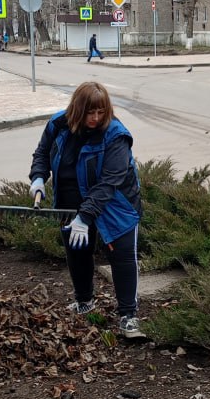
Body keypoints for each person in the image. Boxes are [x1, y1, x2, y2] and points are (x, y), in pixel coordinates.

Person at [29, 82, 143, 338]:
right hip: (70, 200)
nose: (95, 118)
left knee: (122, 256)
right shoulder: (58, 124)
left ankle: (128, 316)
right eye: (90, 113)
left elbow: (109, 183)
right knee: (77, 251)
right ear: (77, 110)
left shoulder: (116, 135)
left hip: (116, 205)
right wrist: (37, 177)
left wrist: (86, 215)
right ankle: (84, 302)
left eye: (101, 113)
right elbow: (42, 153)